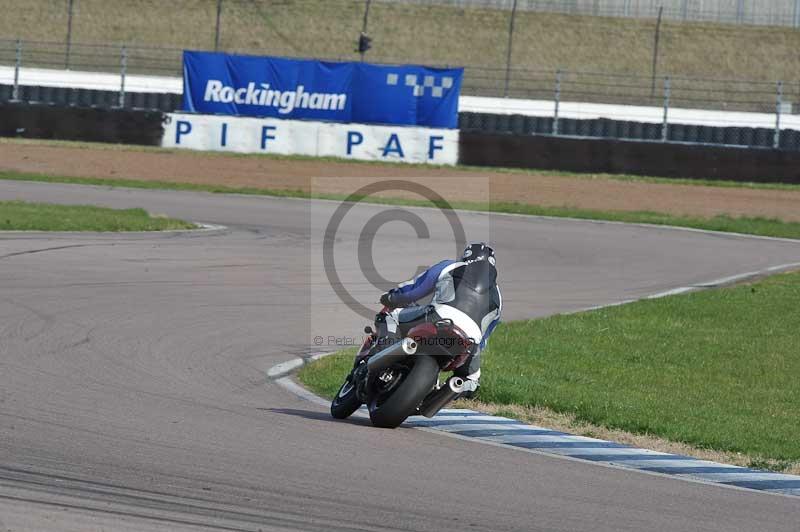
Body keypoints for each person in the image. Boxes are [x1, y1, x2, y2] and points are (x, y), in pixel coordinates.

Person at [378, 242, 502, 396]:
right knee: (471, 381)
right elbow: (484, 338)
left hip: (440, 317)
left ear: (466, 256)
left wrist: (392, 297)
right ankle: (444, 392)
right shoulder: (498, 297)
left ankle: (382, 358)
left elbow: (414, 291)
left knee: (391, 316)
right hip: (470, 339)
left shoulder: (451, 266)